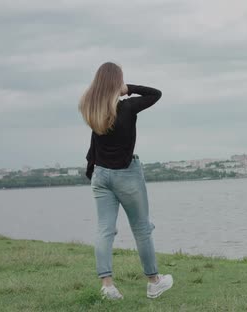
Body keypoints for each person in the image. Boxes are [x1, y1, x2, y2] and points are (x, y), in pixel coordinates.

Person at [78, 62, 173, 299]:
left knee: (104, 230)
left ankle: (107, 285)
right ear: (117, 83)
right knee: (142, 229)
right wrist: (127, 88)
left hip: (100, 175)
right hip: (127, 175)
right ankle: (153, 282)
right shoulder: (128, 107)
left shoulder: (90, 109)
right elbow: (155, 94)